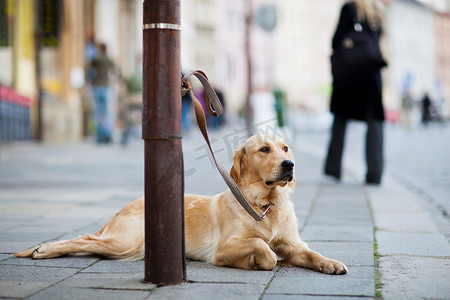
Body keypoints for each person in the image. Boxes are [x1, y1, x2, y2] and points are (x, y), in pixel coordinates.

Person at [324, 0, 386, 185]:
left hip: (350, 73)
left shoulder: (350, 8)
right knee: (374, 122)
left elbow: (335, 41)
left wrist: (347, 41)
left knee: (340, 120)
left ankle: (333, 168)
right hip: (371, 74)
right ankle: (375, 173)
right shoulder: (378, 10)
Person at [88, 43, 119, 144]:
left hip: (96, 87)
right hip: (106, 87)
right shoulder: (109, 60)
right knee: (107, 113)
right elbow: (115, 73)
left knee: (98, 112)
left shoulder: (95, 60)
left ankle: (99, 135)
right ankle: (107, 134)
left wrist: (89, 83)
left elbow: (88, 72)